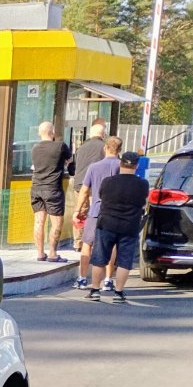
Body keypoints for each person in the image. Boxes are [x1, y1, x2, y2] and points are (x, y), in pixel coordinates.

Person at [86, 151, 149, 304]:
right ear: (136, 166)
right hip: (129, 226)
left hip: (106, 224)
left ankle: (95, 290)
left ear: (120, 163)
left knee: (100, 259)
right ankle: (119, 293)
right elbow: (144, 203)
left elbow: (101, 196)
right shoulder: (143, 184)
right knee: (124, 261)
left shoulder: (108, 182)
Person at [71, 135, 123, 290]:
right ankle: (108, 280)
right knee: (112, 245)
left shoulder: (93, 167)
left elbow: (85, 191)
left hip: (95, 211)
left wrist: (77, 210)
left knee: (87, 243)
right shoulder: (122, 167)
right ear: (119, 150)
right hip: (114, 212)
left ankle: (82, 279)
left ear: (105, 148)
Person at [30, 121, 72, 262]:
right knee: (56, 222)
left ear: (39, 133)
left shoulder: (35, 148)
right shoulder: (60, 146)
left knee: (39, 221)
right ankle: (53, 253)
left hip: (36, 187)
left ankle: (40, 254)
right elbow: (70, 160)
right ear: (52, 132)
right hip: (53, 188)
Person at [68, 118, 108, 240]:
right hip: (97, 185)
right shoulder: (105, 147)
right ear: (103, 134)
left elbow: (73, 166)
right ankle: (93, 238)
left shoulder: (81, 147)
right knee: (96, 212)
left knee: (80, 212)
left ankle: (78, 242)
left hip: (80, 183)